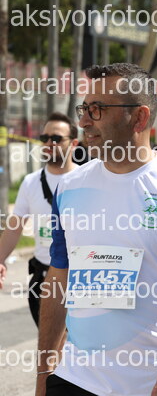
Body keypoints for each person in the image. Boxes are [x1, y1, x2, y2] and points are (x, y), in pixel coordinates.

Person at [36, 63, 157, 396]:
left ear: (139, 117)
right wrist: (44, 372)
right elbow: (58, 279)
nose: (84, 121)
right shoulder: (68, 187)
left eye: (97, 109)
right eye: (83, 109)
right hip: (77, 379)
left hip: (156, 384)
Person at [0, 112, 79, 326]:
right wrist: (0, 259)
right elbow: (15, 226)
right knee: (47, 344)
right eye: (45, 138)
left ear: (73, 144)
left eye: (56, 138)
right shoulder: (30, 182)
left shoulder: (86, 180)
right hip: (42, 277)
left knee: (73, 343)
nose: (49, 143)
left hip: (77, 278)